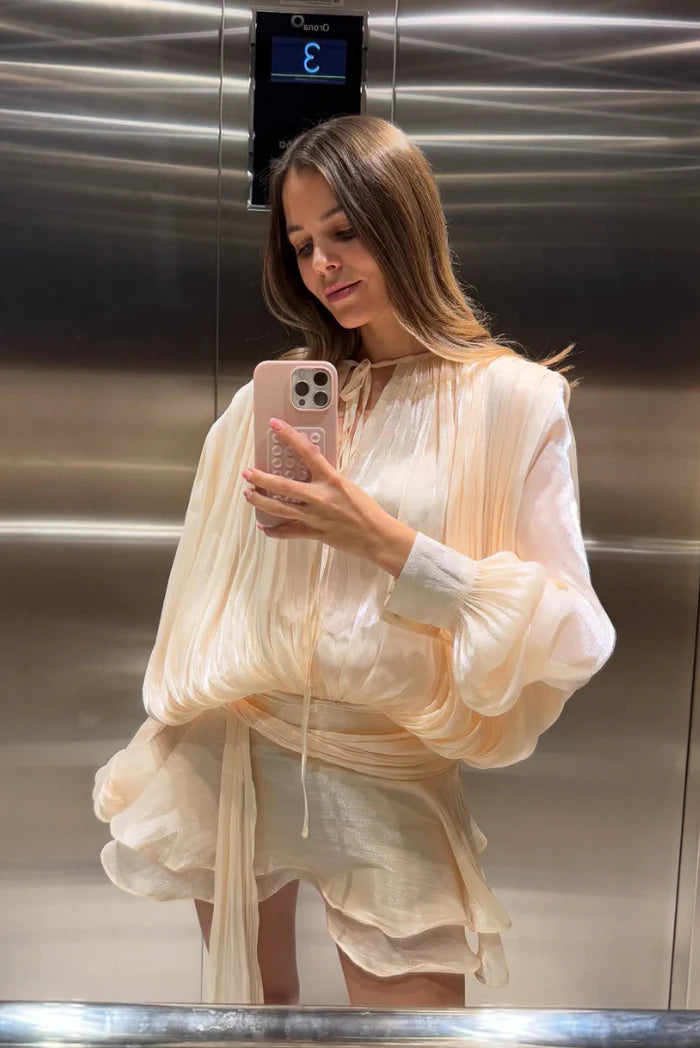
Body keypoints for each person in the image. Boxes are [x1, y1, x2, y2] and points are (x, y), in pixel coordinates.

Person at [93, 114, 616, 1009]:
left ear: (405, 224)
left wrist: (387, 542)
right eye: (302, 245)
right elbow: (208, 587)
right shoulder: (273, 402)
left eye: (344, 231)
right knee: (253, 1020)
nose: (323, 265)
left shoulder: (514, 402)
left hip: (390, 764)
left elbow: (573, 633)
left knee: (412, 1028)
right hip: (237, 745)